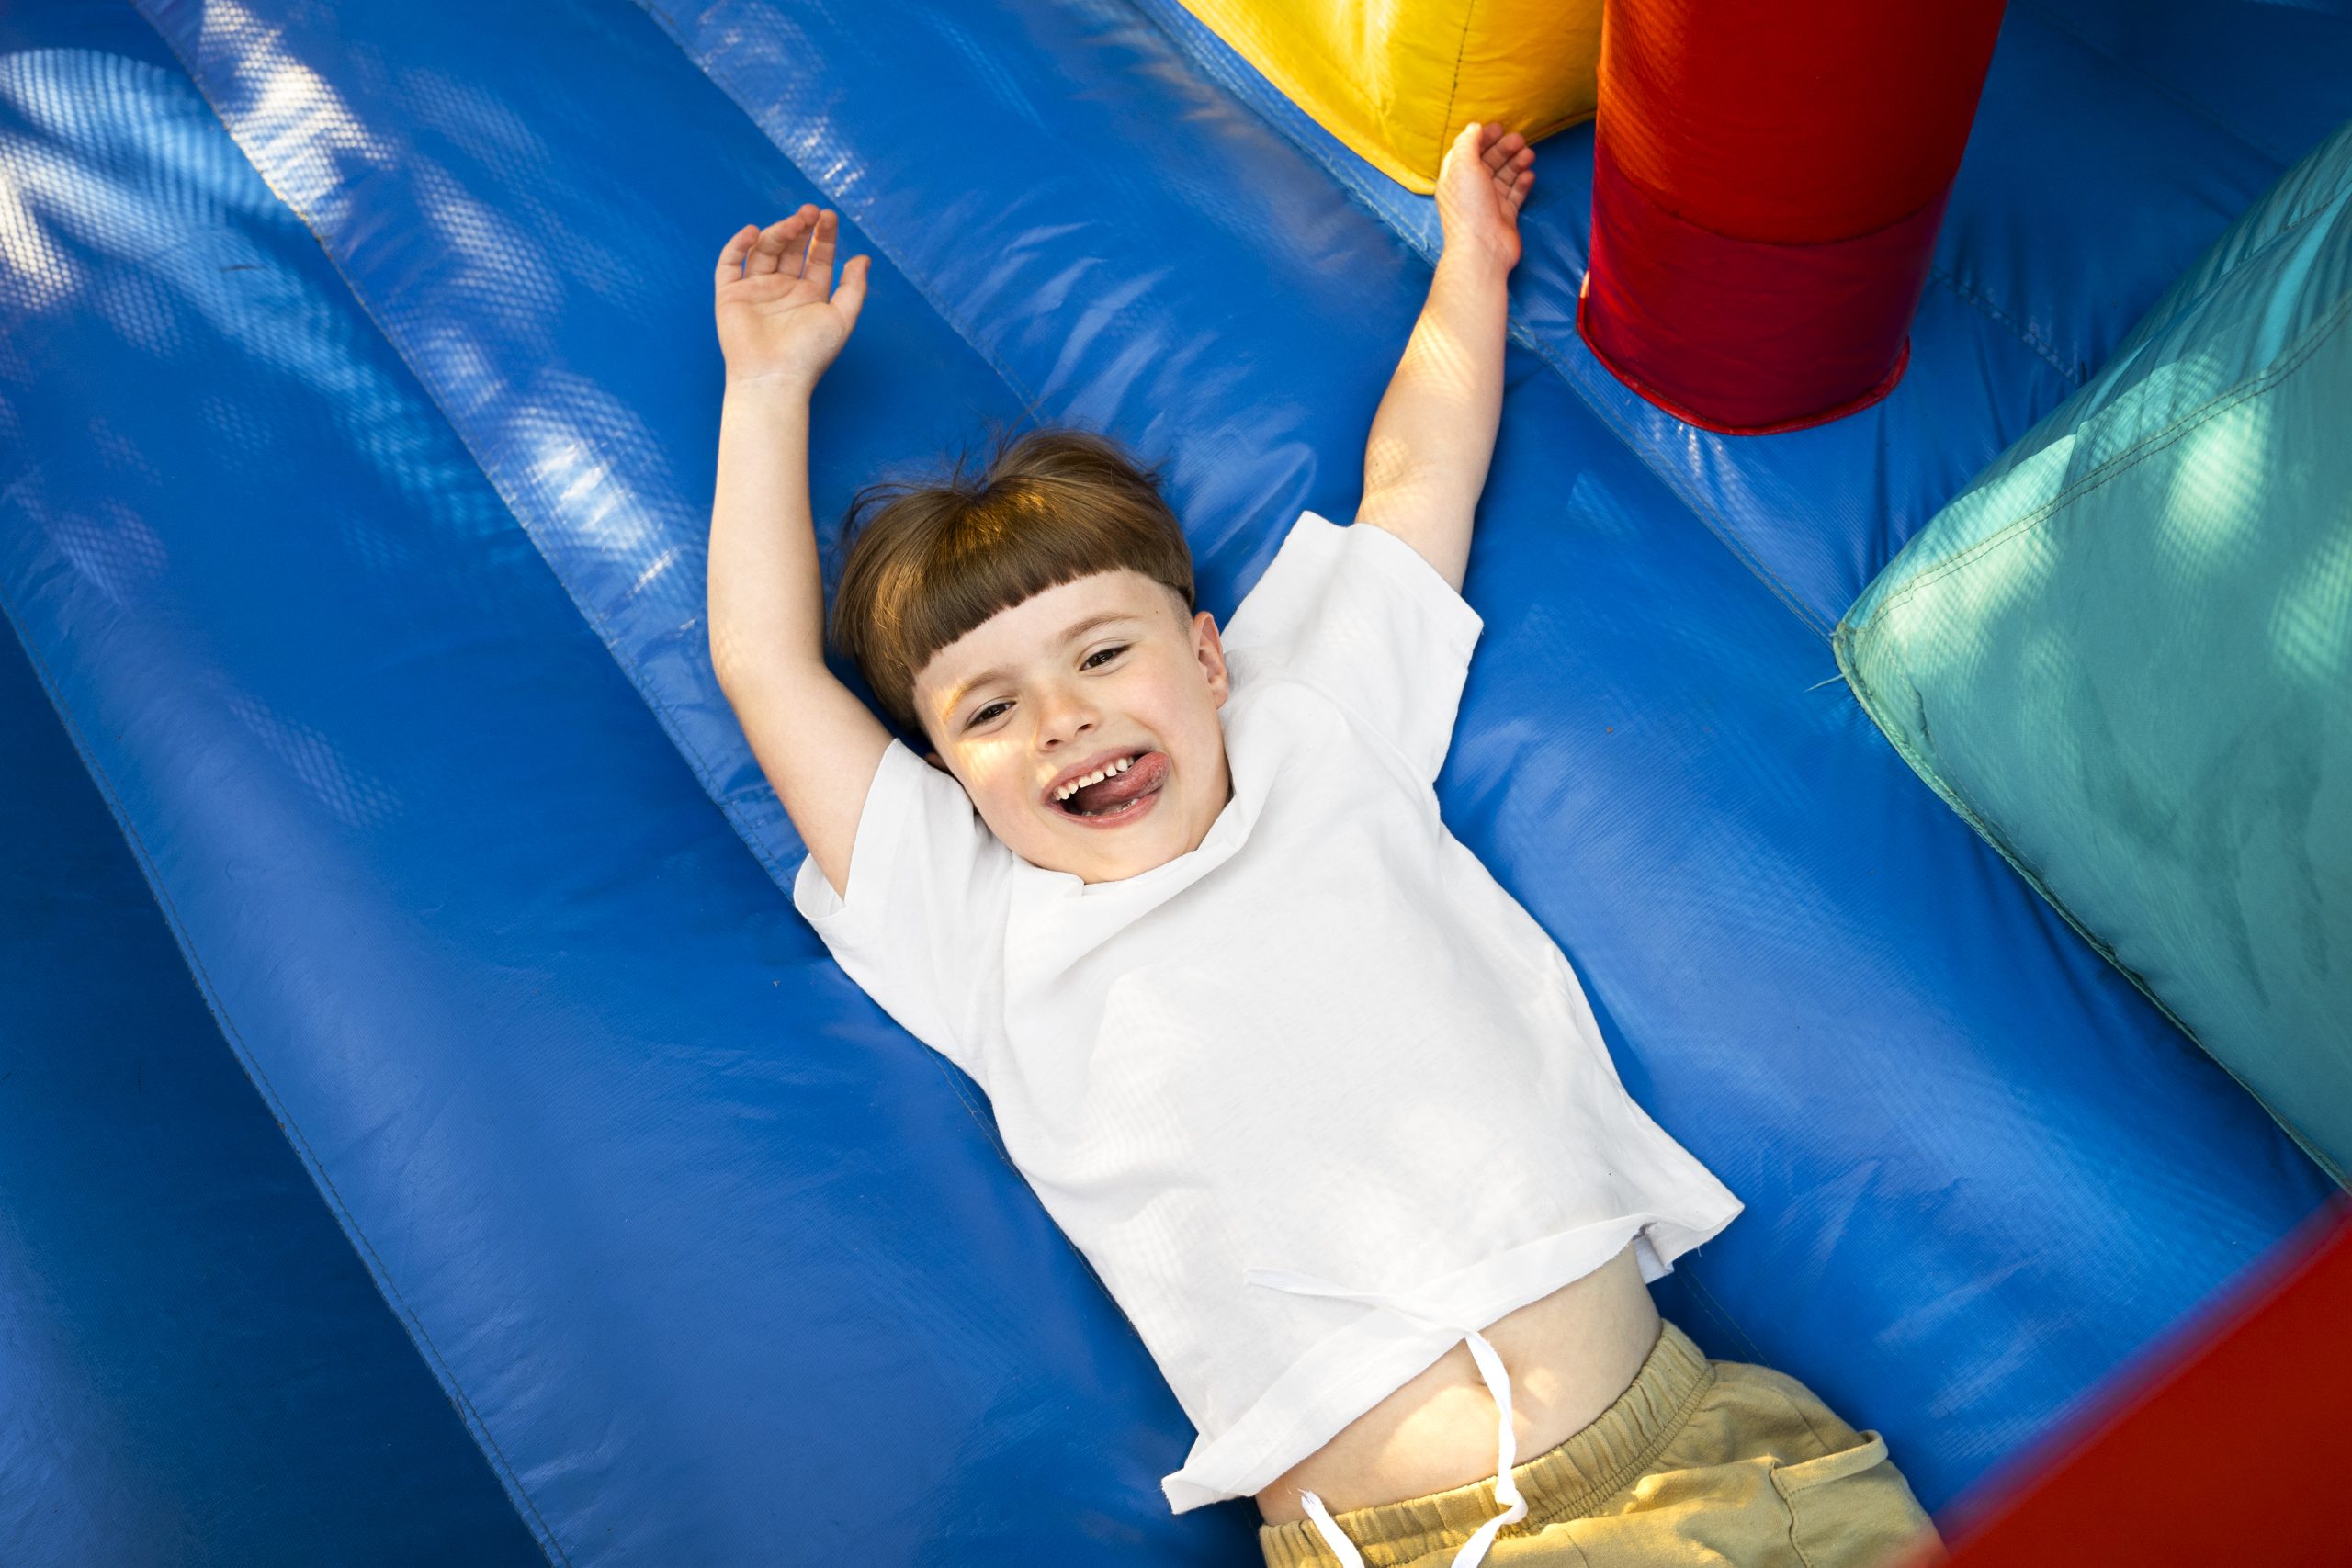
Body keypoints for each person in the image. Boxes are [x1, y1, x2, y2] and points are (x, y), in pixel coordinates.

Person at [706, 118, 1944, 1568]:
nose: (1062, 722)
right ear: (949, 778)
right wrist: (767, 384)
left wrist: (1473, 261)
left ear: (1213, 660)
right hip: (1417, 1547)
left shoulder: (1321, 735)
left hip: (1706, 1449)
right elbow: (767, 669)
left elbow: (1418, 475)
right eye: (990, 710)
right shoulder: (976, 933)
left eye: (1104, 655)